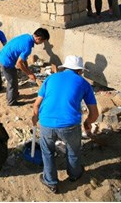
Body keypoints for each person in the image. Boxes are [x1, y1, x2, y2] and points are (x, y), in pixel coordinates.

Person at [32, 55, 98, 194]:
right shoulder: (83, 83)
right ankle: (74, 175)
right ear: (79, 70)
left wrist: (35, 117)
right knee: (73, 150)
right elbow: (94, 113)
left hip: (46, 122)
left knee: (47, 152)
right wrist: (87, 123)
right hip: (70, 124)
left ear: (65, 67)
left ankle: (51, 182)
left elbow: (37, 104)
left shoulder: (51, 78)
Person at [0, 28, 50, 106]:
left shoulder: (26, 36)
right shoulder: (27, 47)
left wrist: (27, 69)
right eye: (42, 41)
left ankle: (13, 95)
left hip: (3, 55)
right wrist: (29, 74)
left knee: (13, 77)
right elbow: (19, 64)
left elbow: (22, 58)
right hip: (6, 61)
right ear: (38, 38)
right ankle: (11, 102)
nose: (41, 43)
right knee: (12, 81)